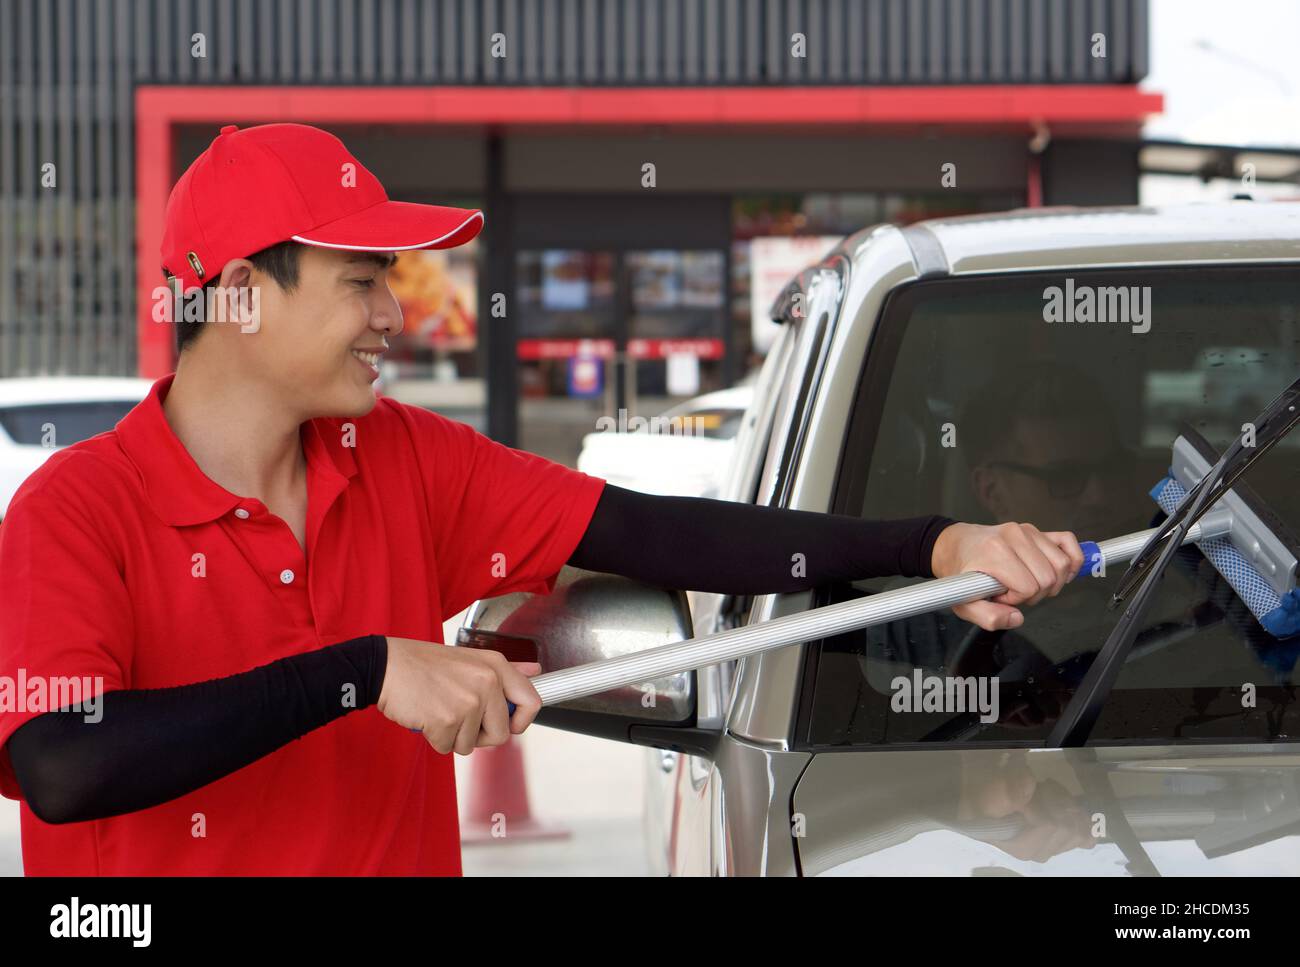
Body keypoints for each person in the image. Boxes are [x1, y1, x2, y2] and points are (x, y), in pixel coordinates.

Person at [0, 123, 1083, 875]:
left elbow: (657, 533)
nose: (395, 311)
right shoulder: (73, 512)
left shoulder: (405, 458)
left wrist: (933, 545)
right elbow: (63, 762)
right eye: (359, 279)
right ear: (238, 291)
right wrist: (364, 672)